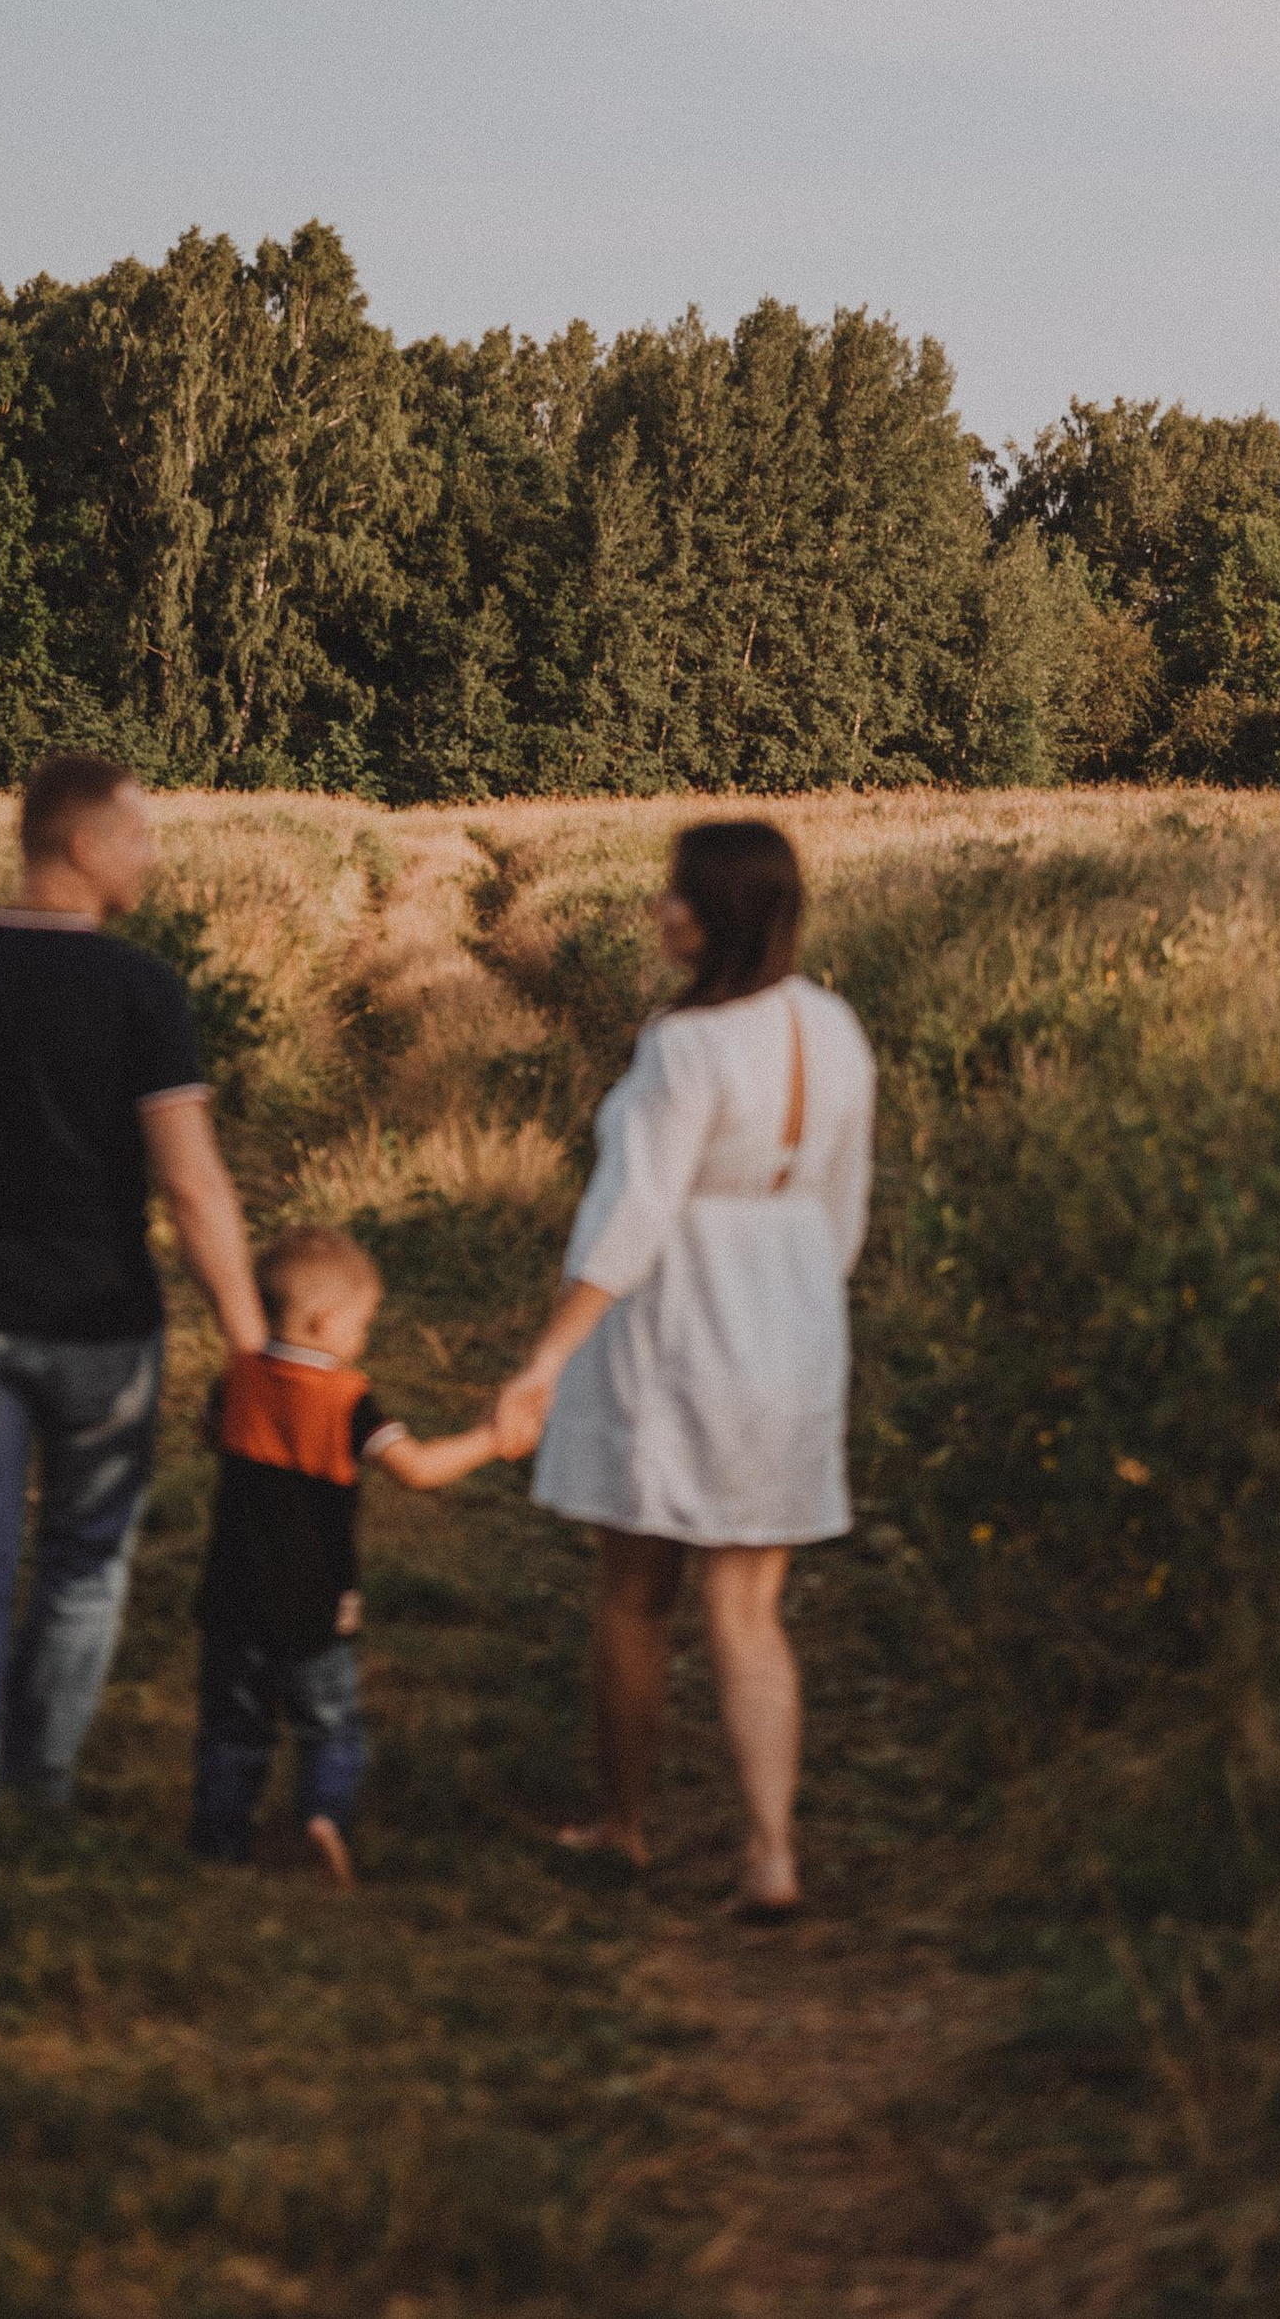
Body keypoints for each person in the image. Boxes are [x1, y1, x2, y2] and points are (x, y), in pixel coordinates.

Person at [0, 750, 266, 1882]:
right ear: (81, 846)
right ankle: (36, 1793)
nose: (152, 853)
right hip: (101, 1330)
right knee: (86, 1562)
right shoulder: (141, 993)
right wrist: (247, 1344)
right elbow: (191, 1188)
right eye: (139, 834)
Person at [494, 818, 875, 1915]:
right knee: (749, 1607)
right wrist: (800, 1301)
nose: (659, 909)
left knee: (636, 1590)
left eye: (674, 894)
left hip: (679, 1321)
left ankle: (622, 1825)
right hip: (793, 1313)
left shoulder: (685, 1043)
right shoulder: (835, 1027)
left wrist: (547, 1357)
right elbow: (843, 1210)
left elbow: (633, 1215)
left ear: (716, 914)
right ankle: (771, 1854)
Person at [191, 1224, 506, 1886]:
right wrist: (491, 1441)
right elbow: (415, 1468)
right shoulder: (346, 1400)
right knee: (329, 1726)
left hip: (232, 1596)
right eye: (362, 1324)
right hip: (314, 1603)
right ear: (325, 1321)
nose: (364, 1338)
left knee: (231, 1727)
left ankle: (219, 1847)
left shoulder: (239, 1378)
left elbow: (208, 1429)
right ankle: (324, 1817)